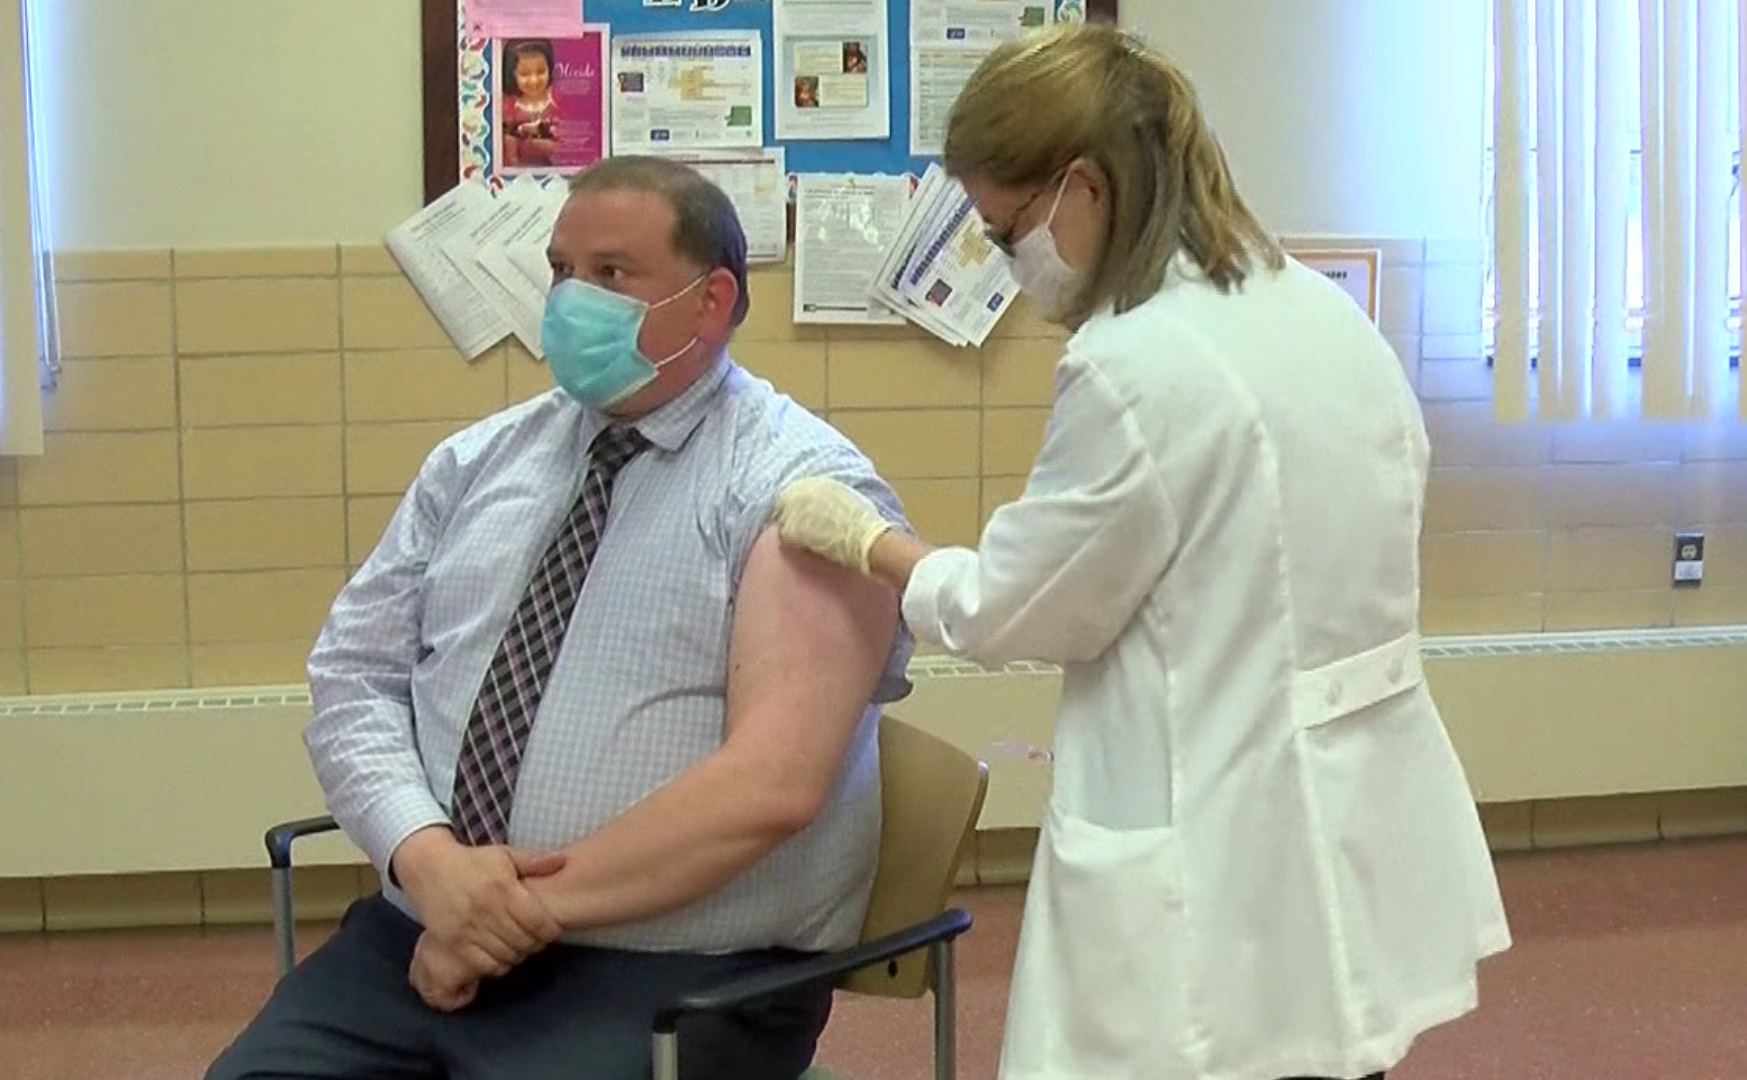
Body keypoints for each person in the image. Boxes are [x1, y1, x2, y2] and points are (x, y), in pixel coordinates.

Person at [772, 22, 1511, 1080]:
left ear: (1084, 186)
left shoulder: (1132, 365)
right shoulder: (1311, 307)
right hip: (1342, 801)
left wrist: (875, 544)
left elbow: (1018, 609)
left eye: (1004, 224)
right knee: (1329, 1049)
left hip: (1211, 825)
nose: (1001, 257)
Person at [206, 155, 913, 1080]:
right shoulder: (479, 463)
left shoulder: (798, 490)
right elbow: (353, 677)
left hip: (674, 973)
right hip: (424, 925)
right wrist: (427, 862)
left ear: (709, 303)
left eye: (612, 275)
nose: (572, 299)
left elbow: (772, 782)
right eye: (561, 270)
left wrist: (507, 916)